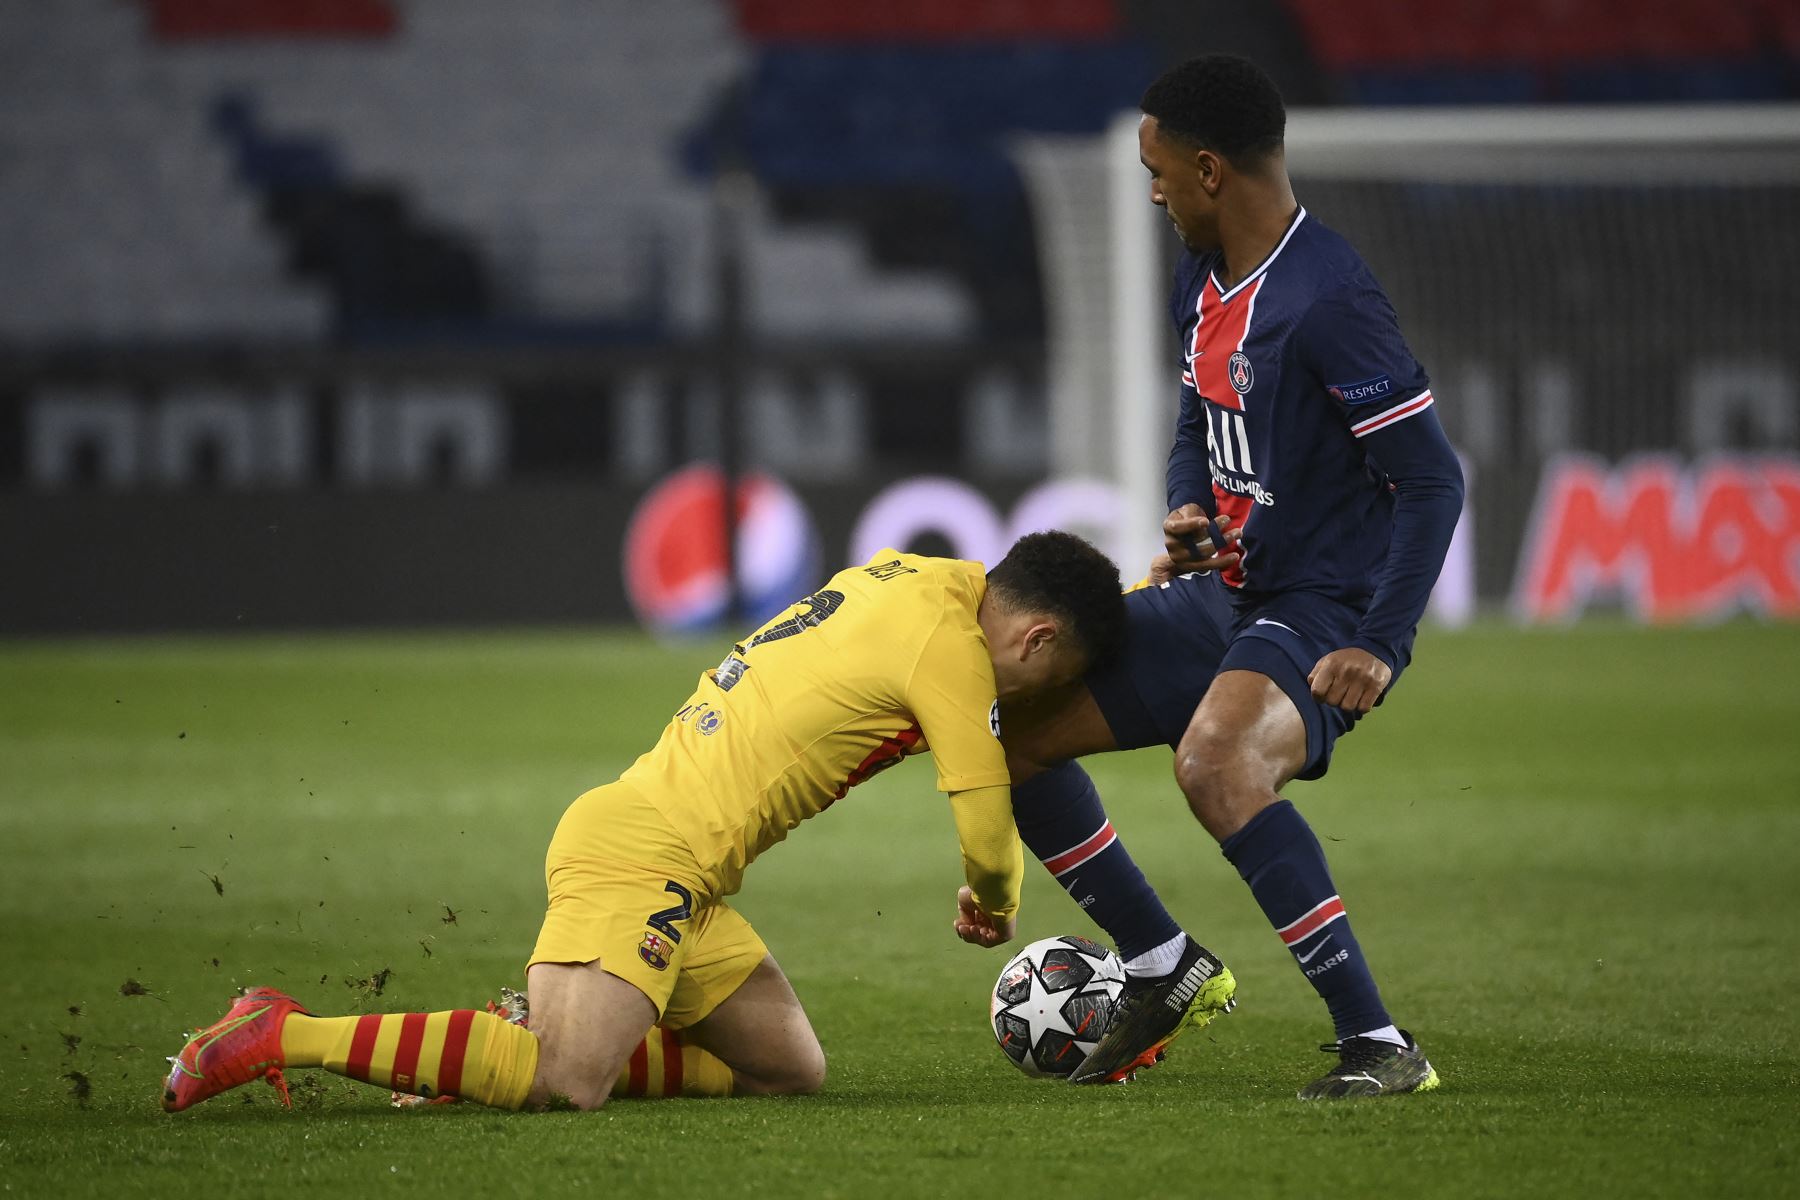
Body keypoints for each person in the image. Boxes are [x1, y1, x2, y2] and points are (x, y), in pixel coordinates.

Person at [161, 533, 1128, 1114]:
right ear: (1036, 637)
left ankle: (519, 1033)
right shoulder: (954, 656)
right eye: (1053, 674)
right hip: (646, 851)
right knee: (562, 1083)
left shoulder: (922, 580)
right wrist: (997, 905)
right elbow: (985, 812)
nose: (1037, 696)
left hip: (686, 869)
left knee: (788, 1073)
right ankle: (280, 1032)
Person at [998, 54, 1465, 1099]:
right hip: (1233, 595)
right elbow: (1194, 423)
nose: (1152, 191)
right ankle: (1163, 969)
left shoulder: (1329, 299)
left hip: (1321, 610)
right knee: (1015, 726)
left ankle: (1378, 1046)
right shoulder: (1202, 281)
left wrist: (1378, 643)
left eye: (1159, 171)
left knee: (1216, 764)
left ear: (1209, 170)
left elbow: (1431, 482)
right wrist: (1190, 507)